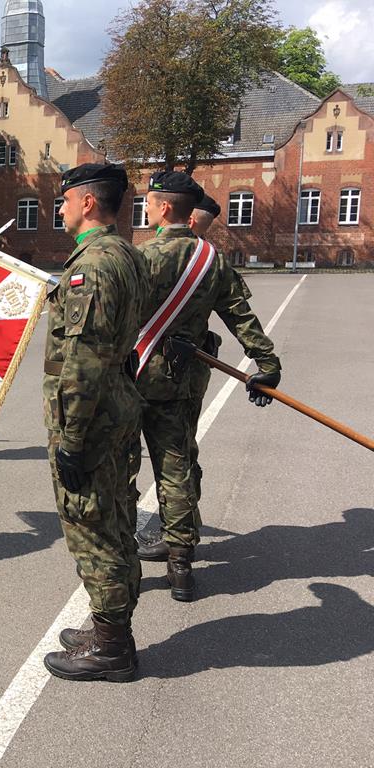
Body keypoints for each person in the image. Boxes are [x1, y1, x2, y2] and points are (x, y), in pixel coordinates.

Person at [129, 172, 281, 601]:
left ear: (163, 208)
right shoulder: (210, 259)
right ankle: (180, 568)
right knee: (176, 467)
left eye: (150, 201)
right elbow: (240, 314)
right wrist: (267, 364)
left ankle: (123, 565)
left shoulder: (138, 257)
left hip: (131, 377)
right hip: (182, 381)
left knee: (123, 469)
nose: (147, 207)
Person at [40, 163, 148, 683]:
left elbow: (83, 360)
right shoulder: (125, 253)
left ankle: (112, 647)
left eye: (64, 201)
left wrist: (73, 440)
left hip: (92, 419)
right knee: (117, 518)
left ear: (86, 203)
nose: (58, 210)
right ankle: (110, 627)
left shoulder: (95, 266)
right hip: (118, 407)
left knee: (93, 528)